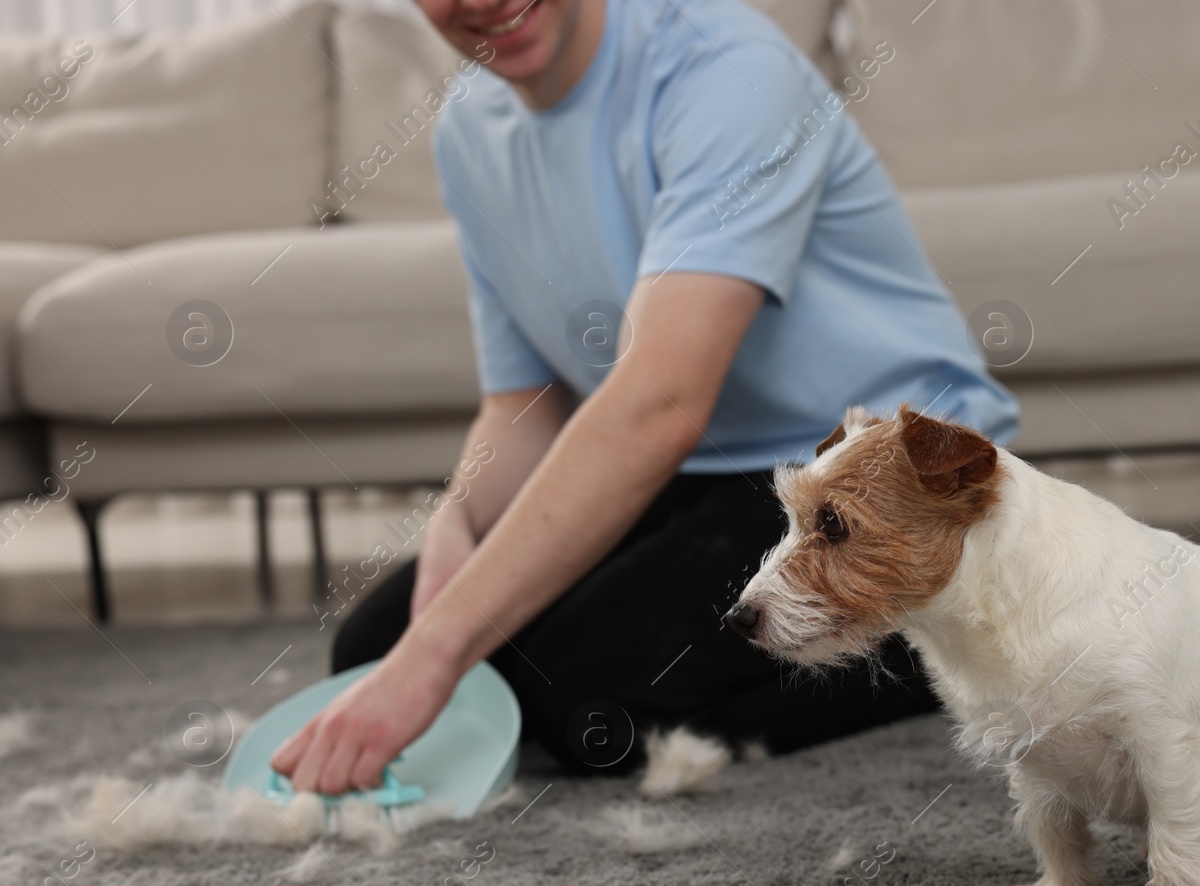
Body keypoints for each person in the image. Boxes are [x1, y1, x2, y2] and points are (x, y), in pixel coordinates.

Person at [270, 0, 1018, 793]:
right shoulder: (467, 130)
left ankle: (943, 624)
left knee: (588, 703)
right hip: (694, 469)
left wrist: (438, 656)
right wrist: (456, 519)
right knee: (372, 649)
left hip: (874, 471)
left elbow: (662, 402)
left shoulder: (725, 70)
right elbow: (528, 401)